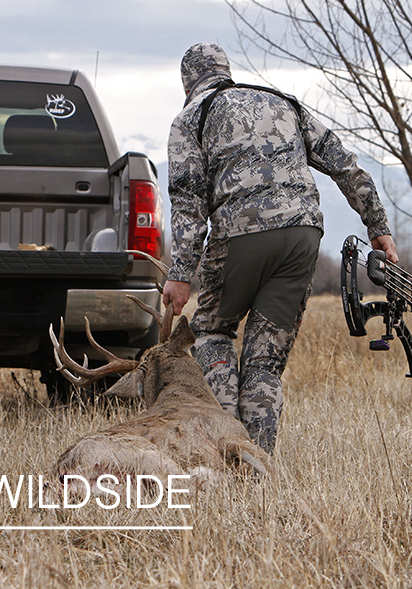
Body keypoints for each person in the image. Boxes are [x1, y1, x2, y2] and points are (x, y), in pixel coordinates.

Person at [162, 43, 397, 453]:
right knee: (264, 360)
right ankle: (258, 466)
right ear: (225, 70)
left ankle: (227, 444)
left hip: (239, 236)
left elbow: (188, 204)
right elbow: (345, 164)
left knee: (213, 332)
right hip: (303, 236)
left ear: (187, 83)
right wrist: (378, 226)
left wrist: (180, 275)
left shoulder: (190, 119)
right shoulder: (281, 101)